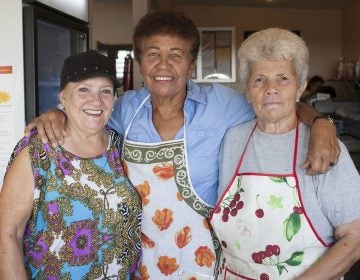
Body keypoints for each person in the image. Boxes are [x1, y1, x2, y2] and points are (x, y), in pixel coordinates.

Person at [23, 10, 339, 279]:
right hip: (139, 264)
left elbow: (277, 105)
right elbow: (86, 115)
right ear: (140, 63)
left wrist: (322, 123)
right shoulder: (123, 109)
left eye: (176, 55)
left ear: (191, 65)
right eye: (153, 54)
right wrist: (57, 113)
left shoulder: (223, 105)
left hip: (205, 263)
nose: (164, 65)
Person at [210, 27, 360, 280]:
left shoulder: (324, 147)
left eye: (283, 78)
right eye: (259, 79)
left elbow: (355, 237)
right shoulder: (232, 139)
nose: (271, 88)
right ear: (247, 90)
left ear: (300, 88)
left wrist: (323, 123)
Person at [0, 50, 142, 279]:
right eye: (83, 89)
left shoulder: (120, 145)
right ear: (63, 97)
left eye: (105, 91)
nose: (96, 101)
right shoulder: (39, 150)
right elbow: (7, 234)